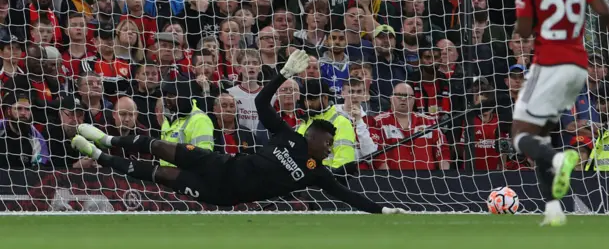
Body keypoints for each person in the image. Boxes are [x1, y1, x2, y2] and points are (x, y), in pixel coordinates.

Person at [70, 50, 406, 214]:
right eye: (328, 142)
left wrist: (383, 210)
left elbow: (348, 196)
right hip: (219, 164)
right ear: (314, 137)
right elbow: (261, 103)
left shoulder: (316, 172)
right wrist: (282, 74)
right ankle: (108, 139)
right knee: (160, 146)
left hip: (220, 192)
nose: (330, 148)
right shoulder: (290, 137)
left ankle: (97, 155)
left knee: (160, 175)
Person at [512, 0, 609, 226]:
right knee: (541, 134)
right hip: (578, 69)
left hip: (548, 65)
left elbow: (523, 27)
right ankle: (553, 209)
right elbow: (607, 15)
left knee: (520, 135)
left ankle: (557, 159)